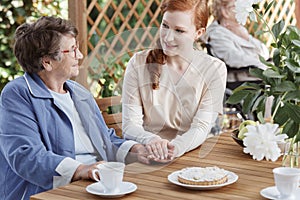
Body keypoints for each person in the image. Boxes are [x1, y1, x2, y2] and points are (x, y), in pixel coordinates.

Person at [0, 16, 150, 200]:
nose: (79, 55)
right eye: (72, 50)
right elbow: (25, 155)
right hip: (49, 192)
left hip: (98, 183)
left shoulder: (79, 93)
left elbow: (104, 139)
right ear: (47, 62)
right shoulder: (18, 94)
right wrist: (80, 170)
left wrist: (137, 149)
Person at [122, 0, 227, 162]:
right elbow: (130, 125)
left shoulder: (214, 69)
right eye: (165, 26)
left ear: (199, 33)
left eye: (179, 31)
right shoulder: (138, 63)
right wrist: (152, 141)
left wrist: (174, 149)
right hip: (148, 156)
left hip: (191, 156)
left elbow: (201, 127)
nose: (168, 37)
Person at [205, 0, 269, 84]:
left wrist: (246, 37)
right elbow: (234, 59)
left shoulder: (239, 31)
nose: (244, 9)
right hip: (242, 83)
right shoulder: (217, 35)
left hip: (256, 78)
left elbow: (265, 53)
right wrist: (264, 66)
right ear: (225, 11)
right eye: (239, 5)